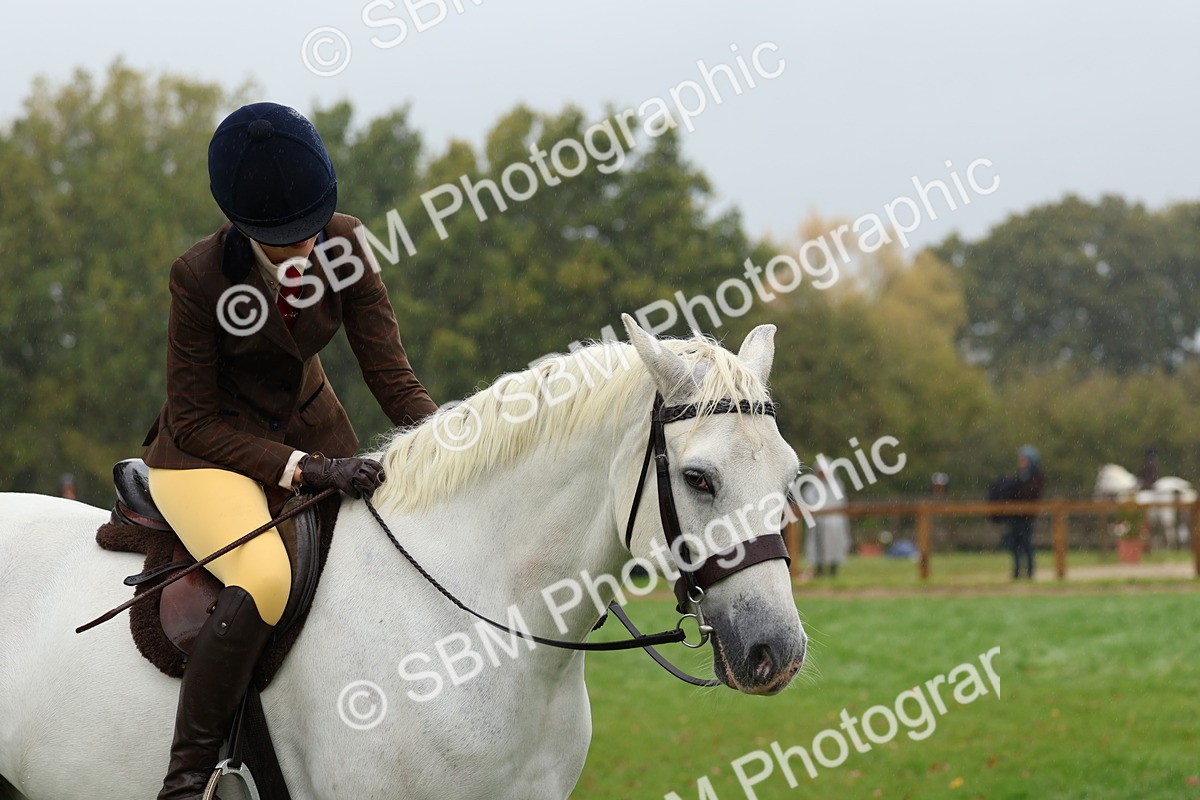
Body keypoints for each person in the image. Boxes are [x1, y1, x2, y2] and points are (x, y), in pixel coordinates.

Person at [140, 102, 438, 799]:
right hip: (202, 456)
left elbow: (391, 377)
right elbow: (193, 418)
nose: (304, 250)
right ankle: (187, 781)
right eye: (281, 242)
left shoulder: (348, 244)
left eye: (309, 233)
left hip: (314, 431)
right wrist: (301, 469)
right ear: (243, 226)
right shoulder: (198, 278)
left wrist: (447, 438)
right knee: (267, 578)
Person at [1003, 445, 1045, 580]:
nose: (1021, 463)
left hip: (1027, 518)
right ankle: (1016, 572)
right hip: (1015, 517)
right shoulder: (1018, 477)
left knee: (1027, 544)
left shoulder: (1036, 477)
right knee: (1014, 545)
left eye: (1024, 460)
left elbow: (1030, 494)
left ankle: (1030, 572)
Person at [801, 468, 851, 577]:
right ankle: (819, 570)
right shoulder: (812, 487)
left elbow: (841, 504)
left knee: (834, 547)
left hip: (835, 523)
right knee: (818, 548)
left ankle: (833, 570)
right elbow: (809, 502)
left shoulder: (837, 486)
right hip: (819, 522)